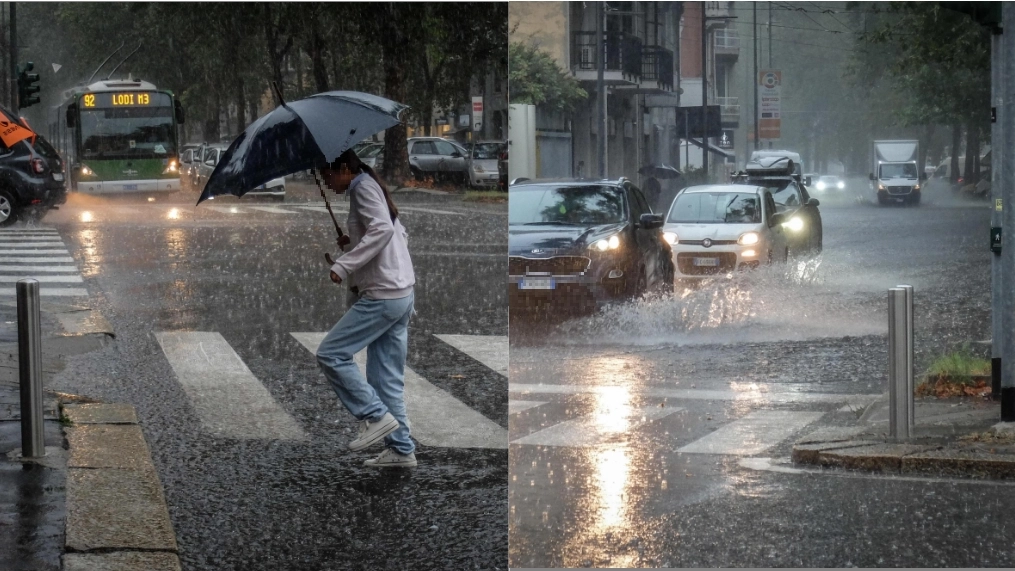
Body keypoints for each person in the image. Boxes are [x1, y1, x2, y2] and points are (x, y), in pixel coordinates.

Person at [315, 148, 417, 468]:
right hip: (401, 293)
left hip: (383, 295)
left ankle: (375, 416)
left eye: (328, 175)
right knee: (385, 380)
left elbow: (383, 231)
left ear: (344, 167)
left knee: (331, 353)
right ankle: (402, 450)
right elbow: (395, 234)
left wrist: (345, 265)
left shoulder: (361, 187)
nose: (327, 183)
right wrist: (353, 244)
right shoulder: (370, 185)